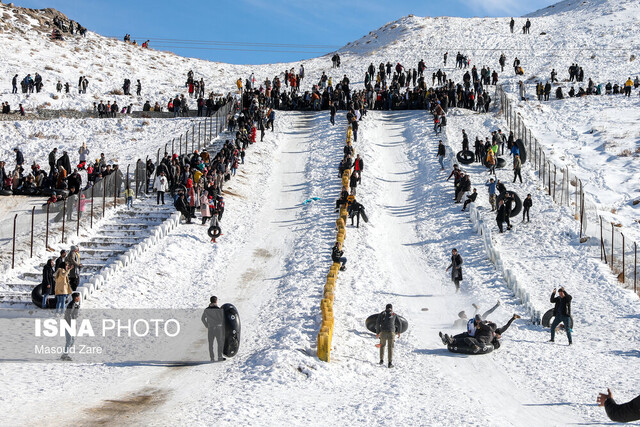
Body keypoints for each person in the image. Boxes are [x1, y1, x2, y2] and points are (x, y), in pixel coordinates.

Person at [375, 303, 401, 368]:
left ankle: (381, 360)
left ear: (386, 308)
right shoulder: (394, 314)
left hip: (383, 332)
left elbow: (377, 323)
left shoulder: (382, 314)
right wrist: (399, 332)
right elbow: (399, 323)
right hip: (391, 333)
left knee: (382, 345)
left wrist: (377, 332)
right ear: (391, 308)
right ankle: (390, 363)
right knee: (390, 347)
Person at [201, 296, 225, 362]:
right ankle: (220, 357)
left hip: (210, 328)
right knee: (219, 342)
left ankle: (212, 358)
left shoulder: (206, 310)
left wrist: (207, 325)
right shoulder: (219, 309)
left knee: (210, 344)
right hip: (218, 328)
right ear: (216, 301)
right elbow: (223, 319)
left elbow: (202, 318)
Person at [61, 292, 81, 360]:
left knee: (72, 340)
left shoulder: (75, 305)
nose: (79, 298)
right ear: (75, 298)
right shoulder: (71, 305)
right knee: (69, 340)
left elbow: (73, 315)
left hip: (71, 324)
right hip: (68, 324)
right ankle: (65, 355)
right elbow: (68, 315)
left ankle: (65, 354)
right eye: (78, 297)